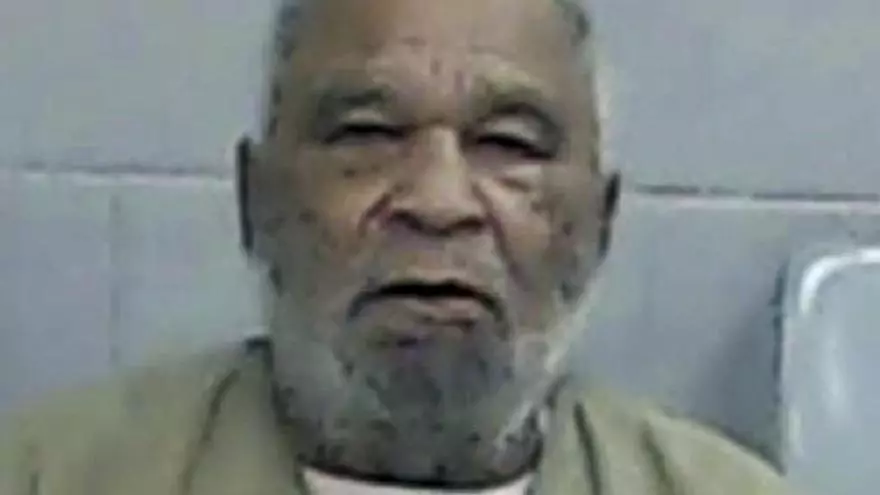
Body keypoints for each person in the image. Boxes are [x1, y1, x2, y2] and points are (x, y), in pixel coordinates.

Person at [0, 0, 793, 493]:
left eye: (509, 144)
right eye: (368, 134)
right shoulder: (45, 475)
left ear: (601, 223)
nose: (438, 202)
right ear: (255, 200)